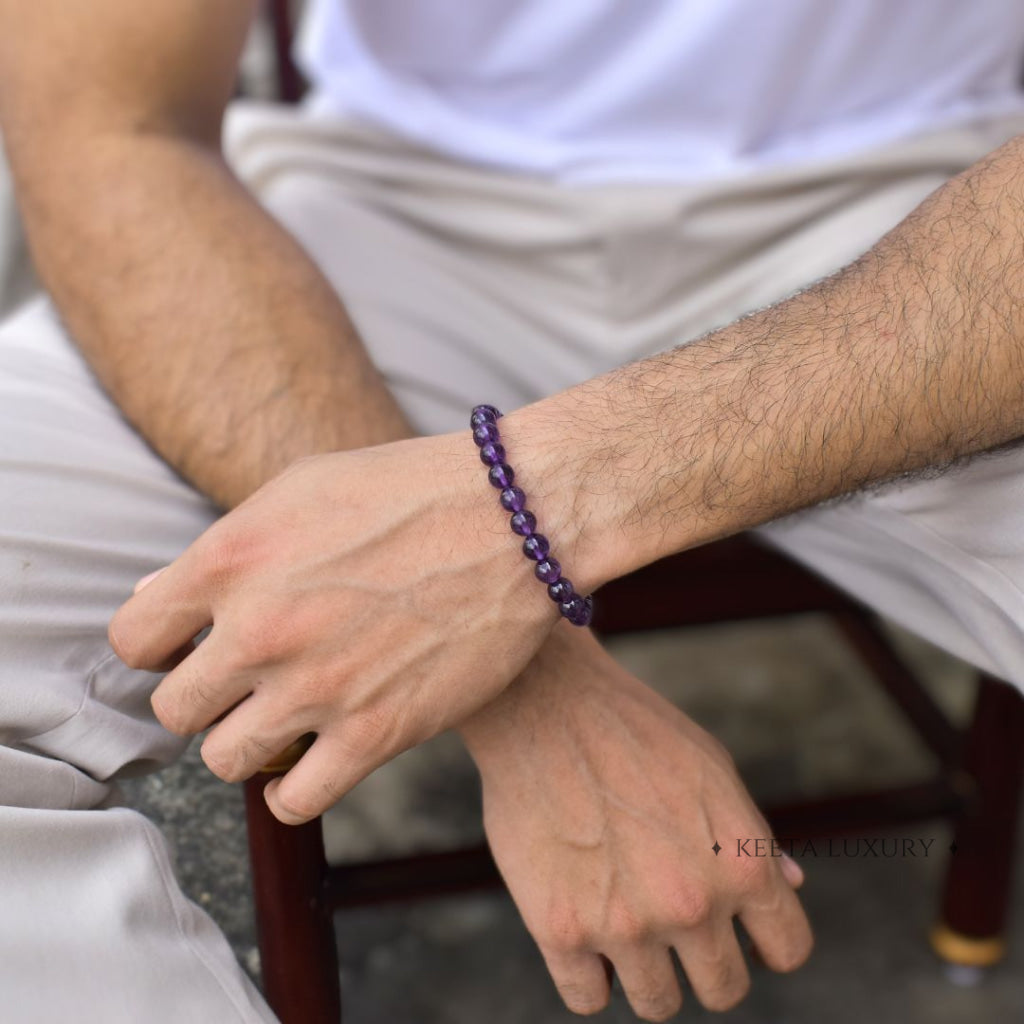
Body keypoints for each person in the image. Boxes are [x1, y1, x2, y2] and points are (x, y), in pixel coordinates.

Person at [3, 0, 1024, 1020]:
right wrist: (528, 690)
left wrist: (513, 523)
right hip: (379, 212)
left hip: (941, 235)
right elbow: (105, 121)